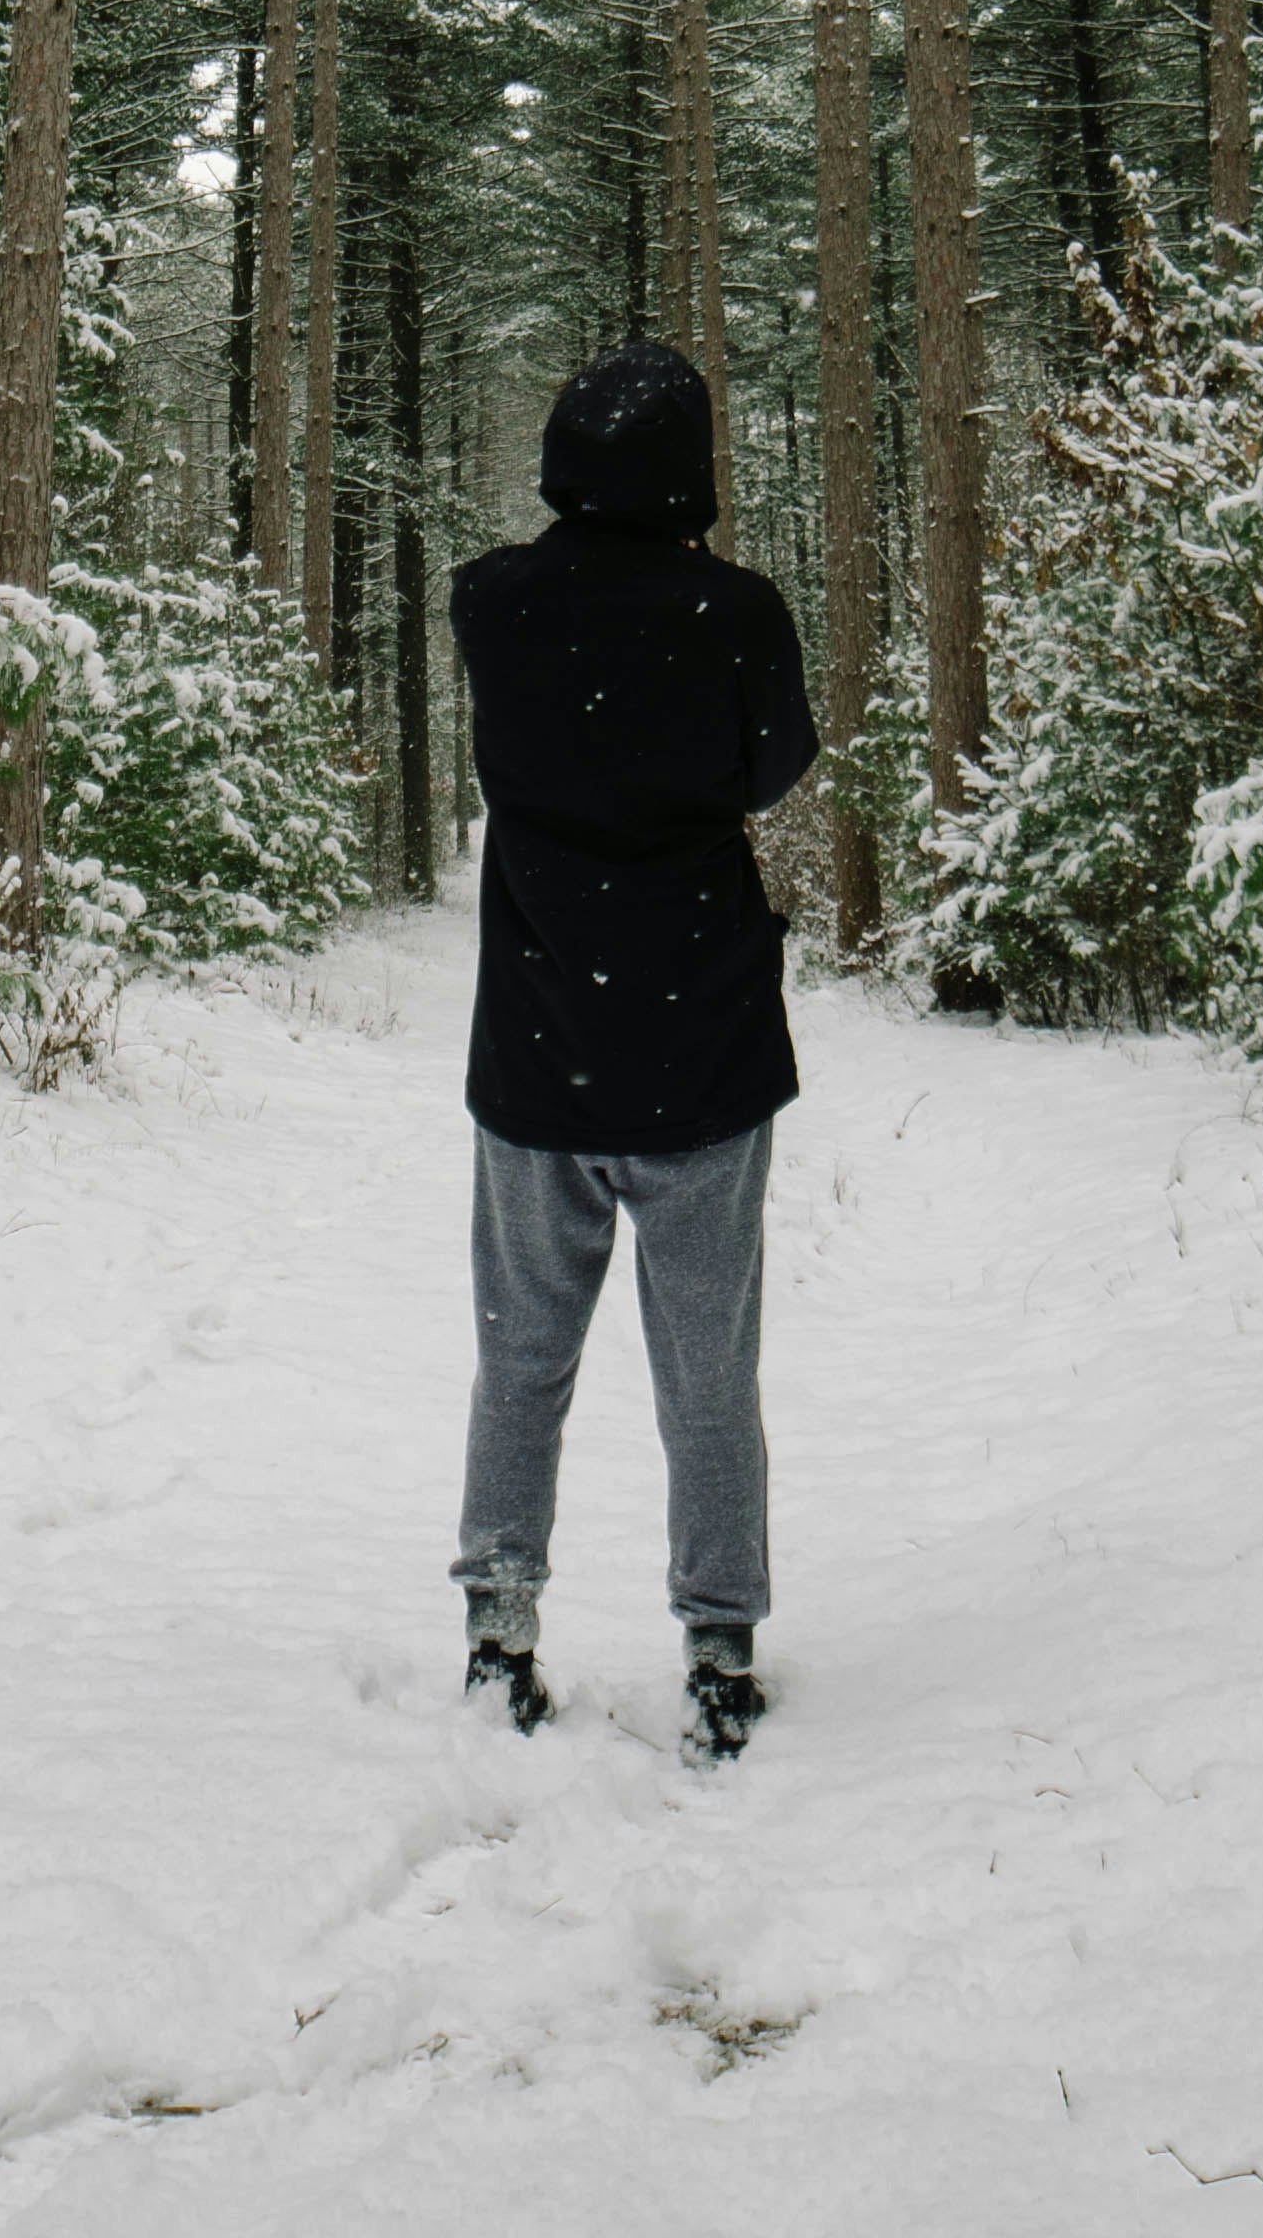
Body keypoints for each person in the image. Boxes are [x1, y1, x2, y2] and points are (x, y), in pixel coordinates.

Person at [447, 336, 818, 1768]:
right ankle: (719, 1653)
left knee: (520, 1355)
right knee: (708, 1366)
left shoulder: (496, 603)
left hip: (539, 1055)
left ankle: (499, 1630)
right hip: (704, 1052)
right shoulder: (737, 615)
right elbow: (775, 764)